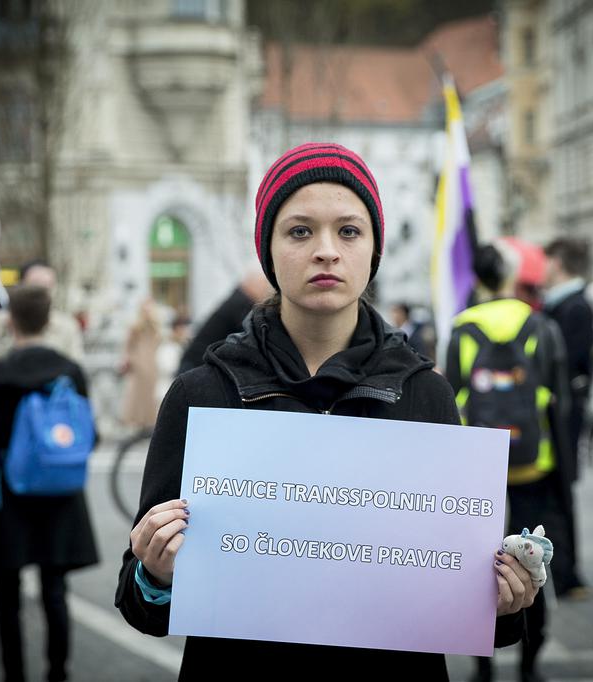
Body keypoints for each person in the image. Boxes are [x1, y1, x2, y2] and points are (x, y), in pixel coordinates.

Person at [115, 143, 535, 680]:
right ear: (267, 250)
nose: (327, 251)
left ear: (374, 250)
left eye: (349, 231)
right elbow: (140, 602)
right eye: (300, 231)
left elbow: (464, 601)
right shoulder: (203, 395)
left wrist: (503, 600)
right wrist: (155, 573)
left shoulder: (425, 394)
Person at [0, 285, 99, 682]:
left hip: (9, 499)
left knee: (7, 597)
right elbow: (88, 436)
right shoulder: (70, 372)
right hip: (61, 494)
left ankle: (14, 674)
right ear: (49, 320)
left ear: (9, 323)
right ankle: (58, 672)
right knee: (55, 591)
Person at [447, 239, 572, 682]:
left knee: (482, 567)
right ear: (512, 276)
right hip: (533, 461)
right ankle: (530, 667)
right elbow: (560, 404)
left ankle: (483, 669)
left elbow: (452, 400)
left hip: (480, 465)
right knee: (533, 567)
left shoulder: (462, 327)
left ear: (477, 278)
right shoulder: (538, 324)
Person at [541, 237, 593, 599]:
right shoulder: (560, 304)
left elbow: (570, 362)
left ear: (558, 264)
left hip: (565, 413)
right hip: (558, 411)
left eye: (546, 262)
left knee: (561, 490)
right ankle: (562, 572)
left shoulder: (574, 307)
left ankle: (568, 573)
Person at [0, 261, 84, 368]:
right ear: (21, 284)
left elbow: (76, 365)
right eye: (35, 285)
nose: (42, 292)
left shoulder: (66, 325)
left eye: (48, 286)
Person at [176, 270, 273, 374]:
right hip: (197, 364)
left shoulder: (236, 299)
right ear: (254, 285)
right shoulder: (241, 303)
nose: (266, 292)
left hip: (196, 361)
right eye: (264, 286)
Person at [120, 298, 162, 430]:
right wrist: (128, 358)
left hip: (151, 363)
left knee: (149, 393)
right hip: (138, 362)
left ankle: (148, 419)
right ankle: (135, 420)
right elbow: (128, 346)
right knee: (136, 393)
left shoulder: (155, 326)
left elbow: (158, 342)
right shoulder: (135, 327)